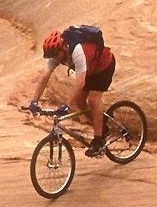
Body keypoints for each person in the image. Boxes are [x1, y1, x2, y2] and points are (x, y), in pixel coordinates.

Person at [28, 25, 116, 156]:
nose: (55, 58)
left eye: (55, 54)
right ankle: (103, 126)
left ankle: (99, 140)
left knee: (92, 100)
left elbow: (80, 83)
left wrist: (66, 105)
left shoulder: (77, 51)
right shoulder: (56, 54)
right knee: (80, 102)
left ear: (63, 47)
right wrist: (34, 102)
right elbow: (44, 77)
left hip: (103, 66)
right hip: (89, 70)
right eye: (52, 55)